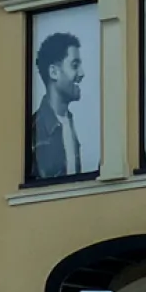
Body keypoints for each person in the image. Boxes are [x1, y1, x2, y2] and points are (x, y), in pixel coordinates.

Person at [29, 27, 91, 180]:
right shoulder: (35, 130)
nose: (82, 73)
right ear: (54, 72)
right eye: (74, 65)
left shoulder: (69, 123)